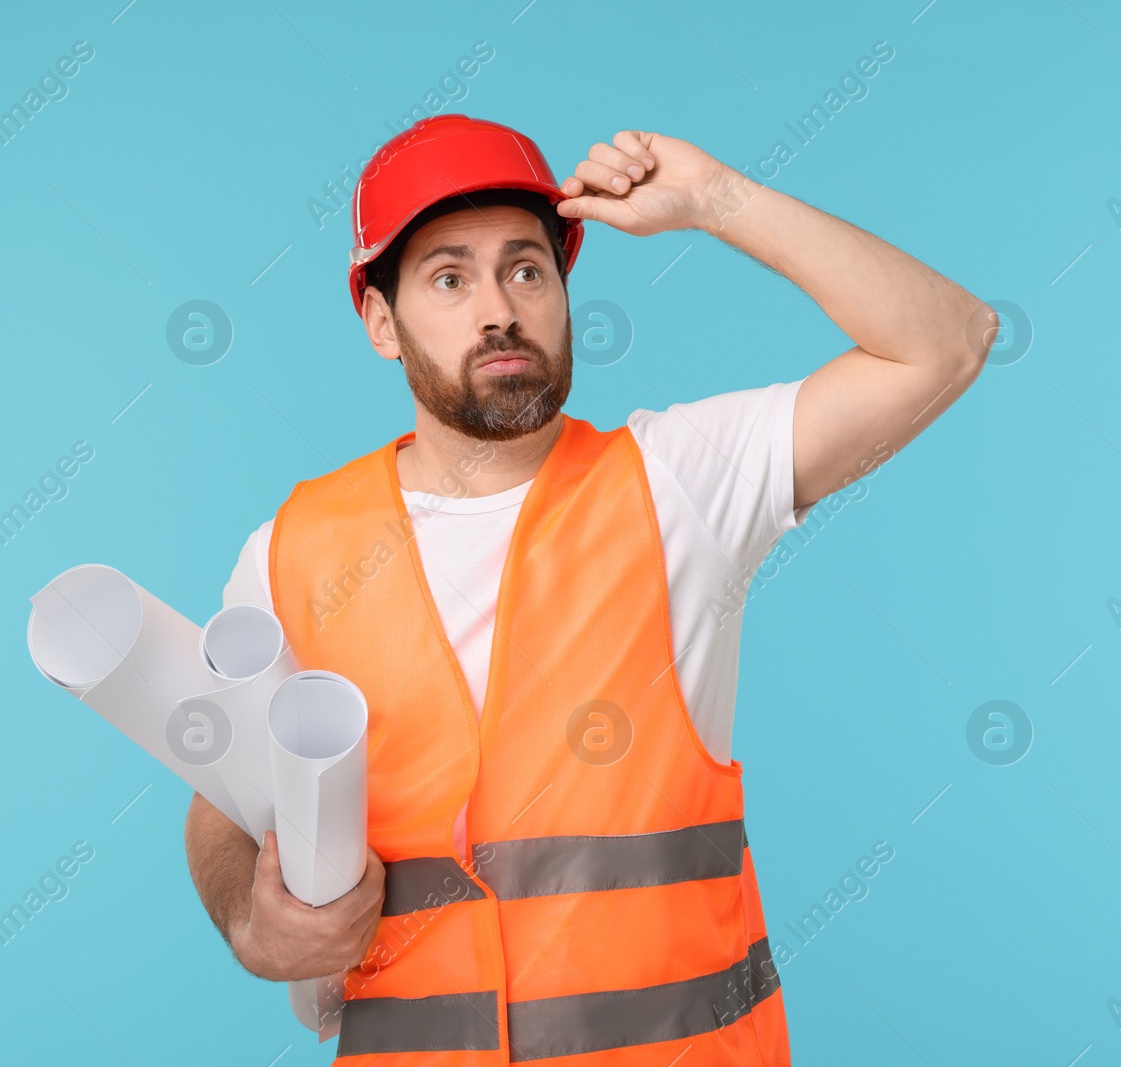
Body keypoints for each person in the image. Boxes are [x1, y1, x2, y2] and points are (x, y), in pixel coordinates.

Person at [183, 114, 992, 1064]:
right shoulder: (292, 549)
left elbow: (947, 342)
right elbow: (221, 804)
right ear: (380, 323)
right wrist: (252, 922)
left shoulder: (681, 482)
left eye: (527, 269)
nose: (500, 309)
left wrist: (715, 199)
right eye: (449, 278)